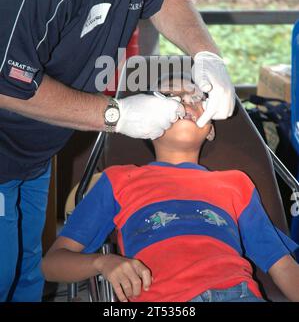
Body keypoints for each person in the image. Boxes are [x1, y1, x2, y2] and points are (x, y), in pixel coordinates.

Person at [0, 0, 251, 301]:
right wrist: (115, 114)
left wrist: (207, 54)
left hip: (34, 148)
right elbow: (7, 83)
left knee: (26, 274)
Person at [42, 76, 299, 303]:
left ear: (210, 129)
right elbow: (52, 264)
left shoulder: (236, 184)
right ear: (145, 121)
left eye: (196, 97)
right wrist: (103, 262)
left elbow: (284, 267)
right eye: (168, 97)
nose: (184, 102)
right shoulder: (118, 181)